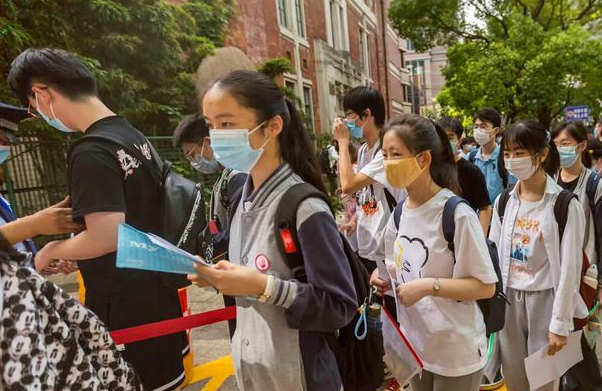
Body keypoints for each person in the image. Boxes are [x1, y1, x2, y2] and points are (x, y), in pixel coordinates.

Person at [8, 48, 186, 391]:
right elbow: (134, 219)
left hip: (125, 310)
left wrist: (48, 252)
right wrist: (75, 251)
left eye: (34, 107)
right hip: (157, 300)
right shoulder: (132, 136)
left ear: (42, 94)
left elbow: (108, 236)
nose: (39, 113)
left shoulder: (91, 150)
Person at [188, 70, 356, 391]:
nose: (216, 137)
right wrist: (218, 277)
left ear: (273, 126)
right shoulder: (243, 199)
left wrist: (263, 286)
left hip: (299, 377)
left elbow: (339, 306)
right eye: (211, 125)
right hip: (256, 373)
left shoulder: (304, 207)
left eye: (226, 124)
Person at [371, 114, 497, 391]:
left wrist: (429, 287)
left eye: (396, 154)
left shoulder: (456, 213)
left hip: (454, 352)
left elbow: (485, 286)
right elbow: (399, 267)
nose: (388, 163)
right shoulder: (400, 212)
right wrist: (383, 278)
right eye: (384, 154)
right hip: (415, 347)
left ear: (424, 160)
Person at [489, 120, 587, 391]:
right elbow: (493, 255)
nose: (511, 160)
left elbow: (570, 269)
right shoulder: (504, 201)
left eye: (519, 152)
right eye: (507, 153)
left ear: (542, 154)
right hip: (509, 300)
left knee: (543, 383)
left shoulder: (564, 205)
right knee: (515, 380)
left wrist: (559, 323)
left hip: (546, 301)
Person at [173, 114, 245, 338]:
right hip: (232, 277)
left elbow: (240, 232)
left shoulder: (237, 177)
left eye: (192, 154)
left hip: (240, 278)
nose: (193, 161)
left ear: (207, 142)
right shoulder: (224, 176)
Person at [551, 121, 602, 391]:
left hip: (584, 278)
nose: (560, 150)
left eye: (566, 145)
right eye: (556, 145)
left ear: (582, 146)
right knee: (566, 338)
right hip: (552, 277)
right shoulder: (548, 183)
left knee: (576, 338)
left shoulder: (594, 185)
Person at [438, 116, 492, 234]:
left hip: (464, 234)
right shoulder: (431, 169)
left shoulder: (472, 171)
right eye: (441, 137)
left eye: (450, 137)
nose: (445, 142)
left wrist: (481, 240)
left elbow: (485, 208)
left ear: (459, 140)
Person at [469, 108, 510, 204]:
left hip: (498, 215)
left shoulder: (505, 157)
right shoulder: (470, 157)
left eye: (483, 127)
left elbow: (513, 191)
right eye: (476, 127)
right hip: (474, 216)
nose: (478, 130)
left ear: (495, 131)